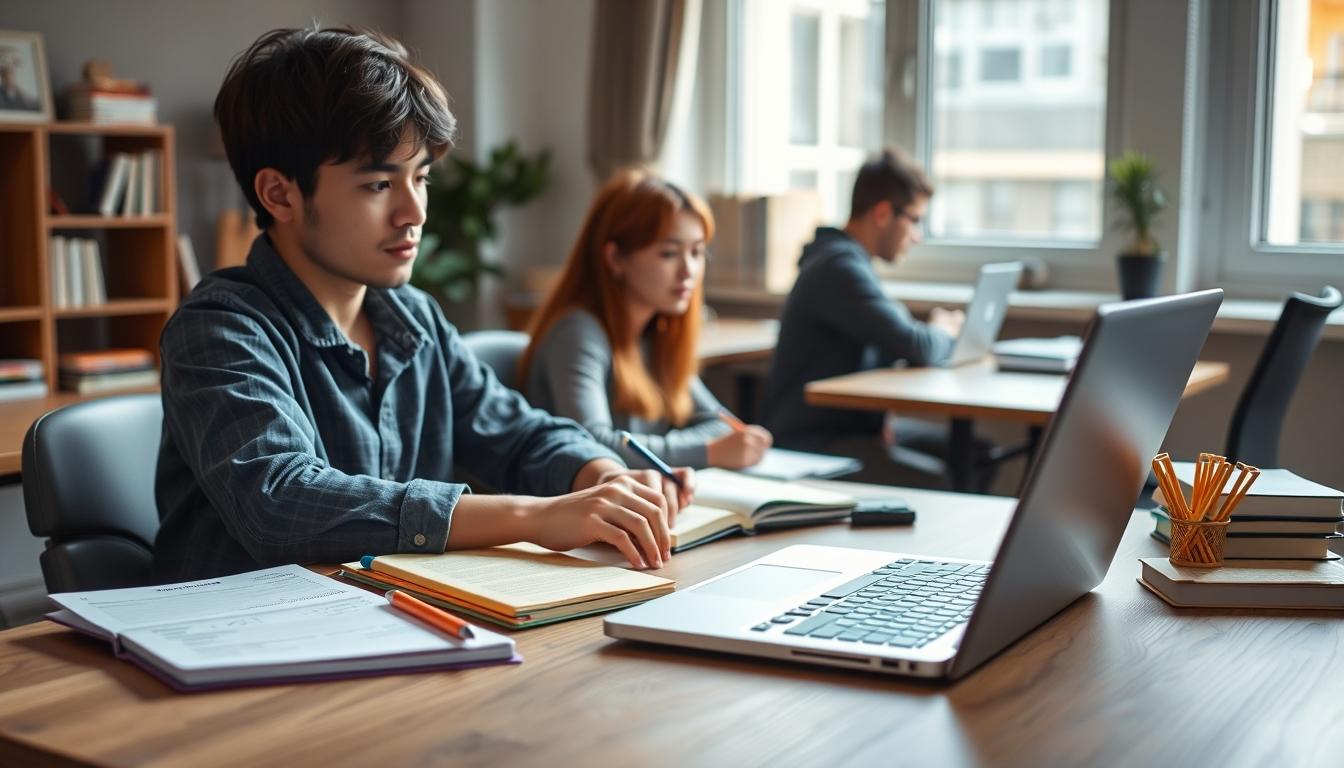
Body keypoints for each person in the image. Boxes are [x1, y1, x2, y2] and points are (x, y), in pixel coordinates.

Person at [154, 27, 690, 582]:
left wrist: (601, 476)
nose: (414, 212)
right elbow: (280, 500)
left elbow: (520, 432)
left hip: (387, 623)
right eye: (379, 186)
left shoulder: (412, 317)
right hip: (238, 637)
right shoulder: (219, 329)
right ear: (280, 194)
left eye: (422, 178)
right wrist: (532, 515)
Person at [762, 148, 994, 489]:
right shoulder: (838, 267)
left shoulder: (850, 262)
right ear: (883, 213)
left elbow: (893, 344)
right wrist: (943, 330)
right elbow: (915, 344)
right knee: (938, 480)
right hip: (814, 440)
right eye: (915, 220)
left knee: (979, 452)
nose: (917, 236)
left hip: (853, 427)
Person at [520, 169, 773, 471]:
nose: (688, 270)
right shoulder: (578, 332)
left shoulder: (656, 332)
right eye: (669, 253)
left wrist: (711, 447)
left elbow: (721, 426)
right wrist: (709, 453)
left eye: (697, 252)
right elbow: (591, 447)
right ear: (615, 258)